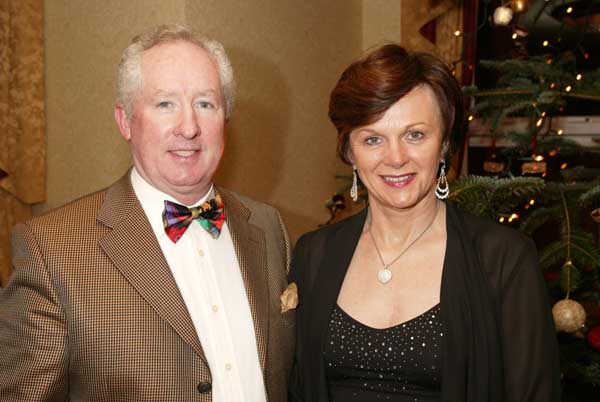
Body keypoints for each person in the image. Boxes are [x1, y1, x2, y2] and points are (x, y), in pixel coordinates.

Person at [0, 24, 295, 402]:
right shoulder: (51, 250)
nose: (188, 128)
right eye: (165, 104)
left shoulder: (268, 226)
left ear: (226, 120)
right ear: (125, 121)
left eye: (205, 104)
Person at [288, 44, 561, 402]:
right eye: (372, 139)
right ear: (350, 152)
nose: (396, 158)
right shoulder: (313, 254)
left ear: (445, 143)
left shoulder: (503, 259)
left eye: (415, 135)